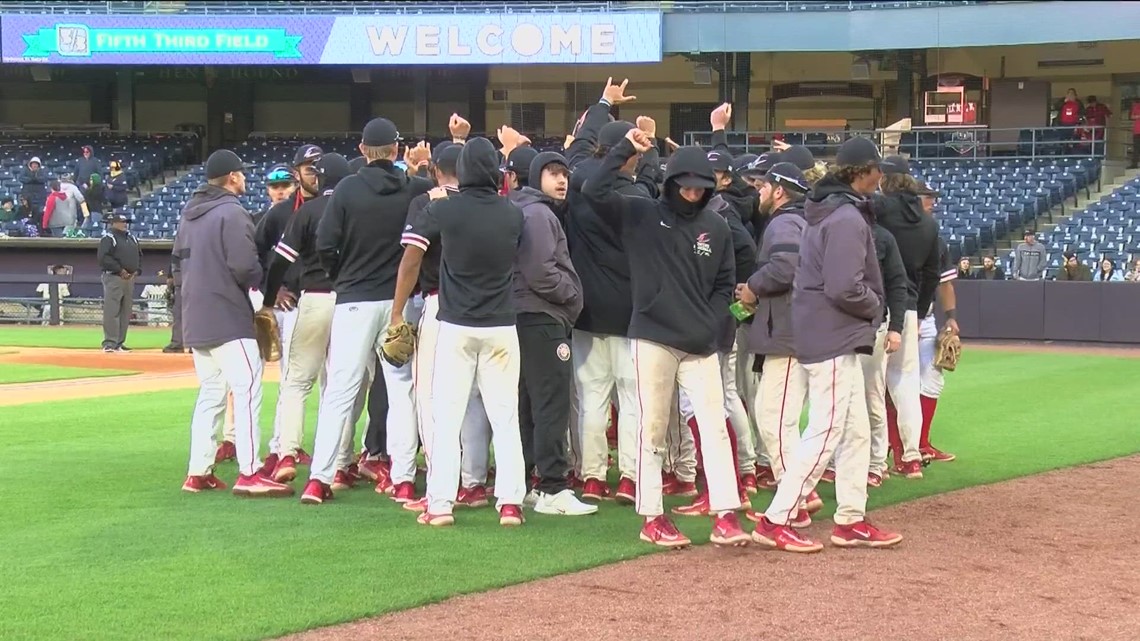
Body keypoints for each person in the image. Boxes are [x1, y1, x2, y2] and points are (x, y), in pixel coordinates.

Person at [584, 127, 748, 549]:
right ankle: (653, 516)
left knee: (713, 425)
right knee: (651, 428)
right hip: (653, 336)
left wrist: (712, 324)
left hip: (699, 343)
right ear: (672, 182)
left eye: (701, 188)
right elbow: (593, 190)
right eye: (686, 186)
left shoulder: (718, 225)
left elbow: (725, 284)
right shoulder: (641, 213)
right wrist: (625, 149)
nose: (693, 194)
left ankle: (726, 514)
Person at [751, 136, 902, 553]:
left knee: (853, 433)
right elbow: (844, 288)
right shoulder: (846, 218)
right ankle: (776, 518)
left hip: (828, 332)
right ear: (862, 171)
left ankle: (851, 518)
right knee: (826, 429)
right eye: (876, 168)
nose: (881, 175)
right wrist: (875, 307)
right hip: (833, 334)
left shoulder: (829, 210)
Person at [389, 136, 529, 528]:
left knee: (446, 417)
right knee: (505, 418)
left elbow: (411, 261)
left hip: (455, 325)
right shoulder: (513, 213)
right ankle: (511, 505)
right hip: (502, 325)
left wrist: (397, 312)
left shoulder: (443, 210)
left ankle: (440, 505)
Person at [300, 118, 432, 505]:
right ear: (396, 150)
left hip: (355, 301)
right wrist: (418, 166)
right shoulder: (414, 189)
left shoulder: (345, 189)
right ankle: (404, 478)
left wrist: (341, 276)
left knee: (340, 390)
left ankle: (319, 479)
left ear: (361, 149)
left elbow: (326, 244)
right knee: (401, 390)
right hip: (398, 302)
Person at [175, 149, 291, 497]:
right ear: (232, 177)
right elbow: (245, 267)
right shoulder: (232, 212)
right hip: (226, 314)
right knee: (248, 387)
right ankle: (251, 471)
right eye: (240, 173)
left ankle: (198, 471)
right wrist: (268, 285)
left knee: (211, 393)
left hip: (195, 315)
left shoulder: (189, 214)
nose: (244, 177)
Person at [562, 78, 656, 504]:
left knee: (591, 398)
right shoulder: (640, 197)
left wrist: (603, 104)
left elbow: (579, 149)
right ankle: (631, 477)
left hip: (587, 310)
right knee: (633, 399)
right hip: (631, 314)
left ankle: (594, 475)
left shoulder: (579, 186)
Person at [395, 141, 494, 510]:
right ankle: (473, 482)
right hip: (488, 309)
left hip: (440, 305)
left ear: (436, 169)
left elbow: (409, 262)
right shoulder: (491, 205)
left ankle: (441, 486)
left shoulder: (429, 203)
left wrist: (395, 313)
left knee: (432, 399)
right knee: (475, 400)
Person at [507, 151, 595, 516]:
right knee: (551, 402)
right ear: (535, 177)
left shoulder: (523, 208)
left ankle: (531, 481)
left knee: (529, 403)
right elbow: (541, 272)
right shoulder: (539, 213)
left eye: (565, 174)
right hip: (543, 317)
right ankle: (553, 487)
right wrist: (573, 295)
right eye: (553, 174)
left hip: (524, 316)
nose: (562, 181)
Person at [262, 153, 353, 486]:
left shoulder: (307, 212)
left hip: (313, 298)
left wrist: (269, 300)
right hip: (351, 302)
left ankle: (287, 453)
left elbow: (278, 262)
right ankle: (341, 463)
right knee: (341, 387)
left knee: (297, 383)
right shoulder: (356, 212)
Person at [735, 162, 811, 494]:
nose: (759, 191)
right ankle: (797, 493)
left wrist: (752, 286)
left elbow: (785, 268)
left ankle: (795, 498)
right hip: (790, 331)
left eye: (764, 186)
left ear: (779, 190)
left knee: (776, 422)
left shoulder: (785, 222)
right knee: (774, 419)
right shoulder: (795, 220)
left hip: (789, 334)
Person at [870, 158, 943, 479]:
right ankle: (911, 457)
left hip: (878, 305)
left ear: (884, 177)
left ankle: (875, 463)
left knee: (872, 386)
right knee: (906, 384)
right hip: (911, 308)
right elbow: (932, 274)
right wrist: (920, 307)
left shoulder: (880, 210)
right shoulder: (929, 223)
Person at [915, 182, 959, 463]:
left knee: (932, 380)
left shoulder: (935, 237)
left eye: (933, 197)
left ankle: (920, 444)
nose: (932, 202)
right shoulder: (891, 232)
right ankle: (886, 449)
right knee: (890, 386)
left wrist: (952, 318)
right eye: (927, 197)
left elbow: (946, 283)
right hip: (898, 317)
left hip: (928, 318)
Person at [97, 212, 141, 353]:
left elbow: (139, 256)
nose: (125, 224)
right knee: (112, 310)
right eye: (122, 222)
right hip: (114, 277)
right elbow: (104, 258)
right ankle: (109, 343)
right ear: (113, 223)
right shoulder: (109, 238)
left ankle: (119, 343)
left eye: (126, 222)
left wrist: (136, 271)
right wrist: (120, 269)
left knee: (125, 311)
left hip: (129, 278)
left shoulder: (132, 238)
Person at [19, 157, 48, 222]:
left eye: (36, 164)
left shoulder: (42, 171)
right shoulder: (25, 170)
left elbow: (44, 179)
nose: (34, 165)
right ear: (30, 164)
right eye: (33, 164)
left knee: (38, 212)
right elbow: (21, 178)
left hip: (39, 197)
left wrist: (36, 179)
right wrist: (31, 179)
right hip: (28, 195)